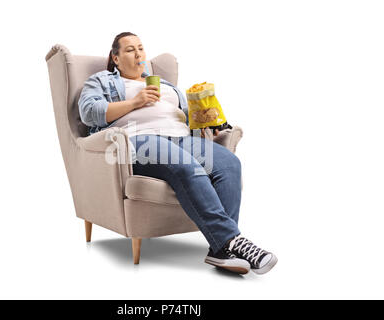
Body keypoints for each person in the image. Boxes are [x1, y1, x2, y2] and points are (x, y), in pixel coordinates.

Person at [78, 32, 278, 275]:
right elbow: (89, 112)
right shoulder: (102, 80)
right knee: (184, 164)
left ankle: (221, 252)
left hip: (182, 136)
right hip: (139, 138)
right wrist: (134, 102)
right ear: (116, 58)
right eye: (130, 49)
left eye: (141, 48)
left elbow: (188, 118)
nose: (139, 53)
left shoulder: (167, 86)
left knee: (229, 164)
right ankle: (233, 242)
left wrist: (207, 123)